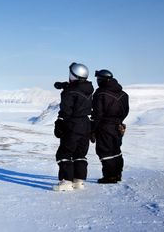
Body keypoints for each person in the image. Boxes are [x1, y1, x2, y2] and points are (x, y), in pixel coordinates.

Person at [53, 62, 94, 191]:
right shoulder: (88, 89)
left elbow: (66, 110)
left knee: (65, 152)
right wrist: (64, 86)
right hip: (85, 124)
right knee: (80, 153)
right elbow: (78, 91)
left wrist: (59, 122)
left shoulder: (69, 92)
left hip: (72, 124)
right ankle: (78, 181)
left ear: (73, 75)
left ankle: (66, 182)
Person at [91, 69, 129, 184]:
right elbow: (126, 111)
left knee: (105, 151)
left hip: (104, 127)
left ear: (104, 80)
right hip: (118, 126)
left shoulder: (100, 93)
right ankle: (117, 174)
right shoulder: (123, 94)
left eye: (98, 79)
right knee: (116, 150)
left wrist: (92, 129)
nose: (97, 81)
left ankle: (110, 176)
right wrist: (119, 121)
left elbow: (97, 114)